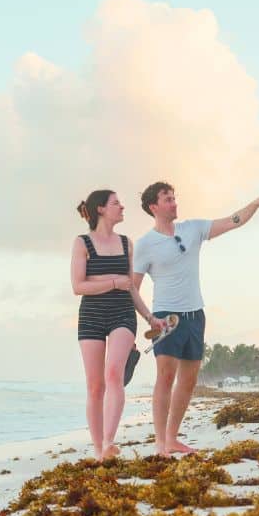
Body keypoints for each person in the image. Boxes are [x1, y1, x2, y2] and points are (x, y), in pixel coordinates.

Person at [132, 181, 259, 456]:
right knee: (165, 377)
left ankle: (173, 438)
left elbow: (233, 221)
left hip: (195, 315)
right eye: (168, 199)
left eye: (175, 197)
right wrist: (149, 318)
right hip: (166, 317)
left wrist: (256, 203)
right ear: (154, 207)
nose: (174, 202)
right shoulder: (144, 245)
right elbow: (133, 288)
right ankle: (161, 443)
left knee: (188, 380)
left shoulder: (193, 228)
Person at [70, 190, 157, 461]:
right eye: (116, 203)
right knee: (95, 386)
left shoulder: (125, 243)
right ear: (100, 209)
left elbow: (131, 288)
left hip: (122, 312)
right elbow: (78, 286)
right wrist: (112, 283)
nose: (122, 206)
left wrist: (149, 317)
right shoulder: (82, 242)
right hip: (92, 315)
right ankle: (98, 450)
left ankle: (109, 441)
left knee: (113, 374)